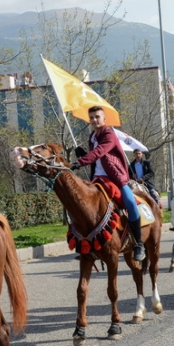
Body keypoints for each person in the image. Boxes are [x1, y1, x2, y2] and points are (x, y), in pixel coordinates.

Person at [71, 106, 146, 261]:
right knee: (80, 205)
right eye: (91, 117)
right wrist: (84, 154)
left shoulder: (109, 135)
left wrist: (80, 162)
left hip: (115, 178)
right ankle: (88, 245)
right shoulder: (92, 136)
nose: (94, 120)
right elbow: (97, 158)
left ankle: (139, 243)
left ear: (104, 119)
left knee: (131, 203)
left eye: (97, 117)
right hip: (97, 179)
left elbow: (99, 152)